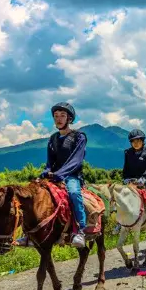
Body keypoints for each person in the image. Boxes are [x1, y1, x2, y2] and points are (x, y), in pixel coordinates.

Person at [39, 102, 88, 248]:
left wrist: (60, 174)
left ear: (69, 118)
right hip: (55, 176)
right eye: (55, 116)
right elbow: (50, 162)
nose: (58, 119)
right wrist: (45, 172)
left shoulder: (79, 137)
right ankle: (30, 233)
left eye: (62, 115)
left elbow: (76, 161)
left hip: (72, 175)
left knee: (73, 193)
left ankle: (80, 230)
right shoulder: (53, 139)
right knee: (35, 193)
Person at [122, 129, 146, 225]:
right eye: (133, 141)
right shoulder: (127, 152)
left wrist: (143, 179)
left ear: (142, 141)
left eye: (138, 141)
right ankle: (121, 221)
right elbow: (126, 167)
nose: (135, 143)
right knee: (121, 194)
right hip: (132, 179)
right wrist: (125, 178)